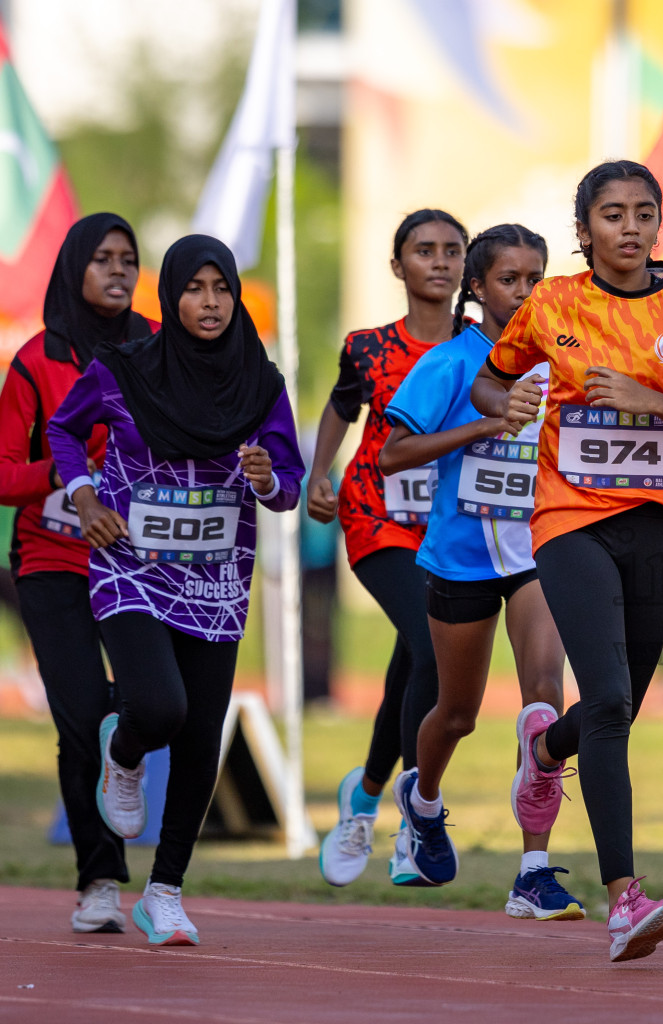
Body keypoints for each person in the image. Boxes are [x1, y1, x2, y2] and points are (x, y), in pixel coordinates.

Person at [471, 160, 663, 962]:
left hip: (662, 523)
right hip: (571, 520)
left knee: (614, 710)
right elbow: (494, 384)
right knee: (610, 697)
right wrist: (511, 402)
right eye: (610, 215)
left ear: (660, 222)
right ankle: (624, 898)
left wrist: (653, 400)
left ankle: (544, 751)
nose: (628, 228)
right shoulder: (554, 303)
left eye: (642, 213)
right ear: (584, 228)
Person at [48, 234, 303, 946]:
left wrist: (268, 479)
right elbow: (64, 430)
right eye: (195, 288)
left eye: (223, 288)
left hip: (217, 579)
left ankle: (165, 891)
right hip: (129, 564)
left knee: (199, 738)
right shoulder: (123, 368)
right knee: (159, 706)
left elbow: (289, 484)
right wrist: (85, 497)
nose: (211, 302)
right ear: (171, 296)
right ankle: (123, 750)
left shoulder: (262, 381)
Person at [379, 223, 580, 920]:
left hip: (535, 555)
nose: (522, 293)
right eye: (507, 280)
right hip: (460, 558)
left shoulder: (560, 363)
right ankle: (423, 799)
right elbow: (392, 455)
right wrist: (483, 427)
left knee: (543, 702)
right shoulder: (450, 363)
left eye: (534, 280)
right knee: (457, 714)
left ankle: (533, 871)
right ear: (477, 286)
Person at [0, 213, 155, 932]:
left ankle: (131, 732)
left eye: (128, 259)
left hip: (137, 562)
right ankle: (98, 879)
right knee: (79, 717)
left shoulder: (158, 346)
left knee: (155, 704)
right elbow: (3, 474)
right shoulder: (37, 360)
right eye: (103, 259)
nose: (119, 271)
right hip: (52, 560)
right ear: (74, 269)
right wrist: (73, 476)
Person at [309, 209, 466, 887]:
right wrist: (321, 469)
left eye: (452, 251)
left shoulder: (486, 345)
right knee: (431, 649)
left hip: (452, 523)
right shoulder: (368, 347)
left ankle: (366, 792)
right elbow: (342, 408)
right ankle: (412, 818)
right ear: (398, 267)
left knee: (413, 663)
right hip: (376, 514)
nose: (439, 262)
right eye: (424, 251)